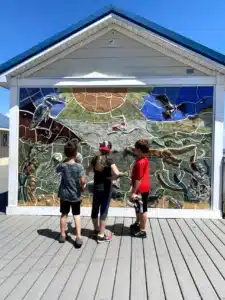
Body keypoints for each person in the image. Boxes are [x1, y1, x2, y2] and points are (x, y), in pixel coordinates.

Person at [87, 141, 123, 243]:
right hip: (106, 189)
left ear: (100, 149)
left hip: (96, 188)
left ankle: (96, 230)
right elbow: (117, 173)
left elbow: (87, 170)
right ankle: (101, 235)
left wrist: (96, 173)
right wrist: (111, 178)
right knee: (103, 210)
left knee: (95, 208)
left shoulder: (95, 159)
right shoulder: (109, 160)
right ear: (109, 150)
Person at [56, 141, 86, 248]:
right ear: (75, 153)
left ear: (65, 153)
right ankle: (78, 237)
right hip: (75, 194)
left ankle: (62, 235)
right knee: (76, 215)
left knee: (64, 214)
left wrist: (64, 160)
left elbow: (57, 171)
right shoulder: (79, 167)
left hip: (64, 194)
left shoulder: (62, 165)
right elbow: (82, 181)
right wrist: (82, 187)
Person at [130, 139, 150, 238]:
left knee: (143, 210)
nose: (134, 149)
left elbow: (138, 179)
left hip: (141, 190)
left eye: (135, 148)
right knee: (138, 208)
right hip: (143, 188)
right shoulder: (144, 159)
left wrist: (133, 192)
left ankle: (142, 231)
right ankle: (138, 223)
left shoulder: (140, 162)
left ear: (139, 150)